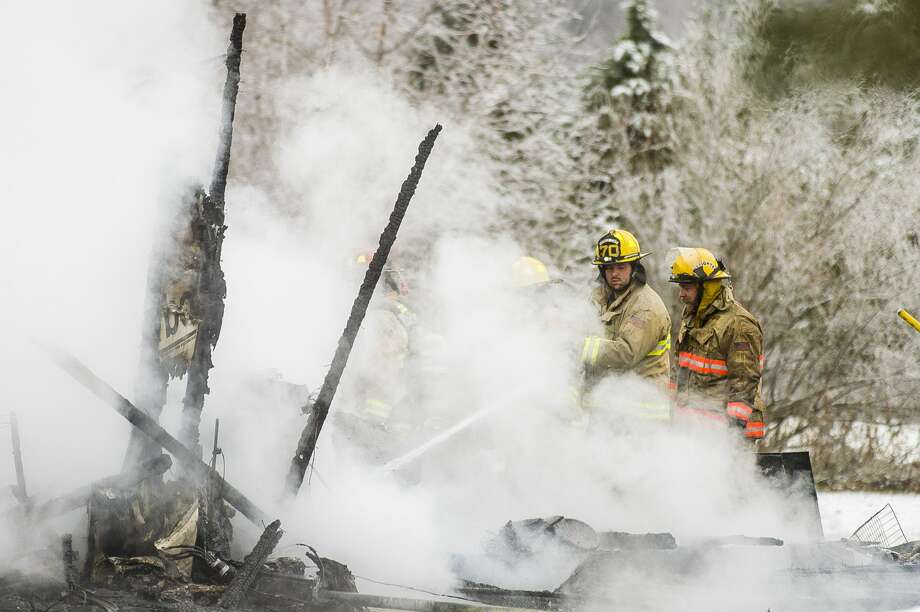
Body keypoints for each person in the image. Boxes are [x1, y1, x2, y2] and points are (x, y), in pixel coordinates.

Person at [668, 247, 765, 440]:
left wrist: (732, 435)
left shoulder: (739, 324)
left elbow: (744, 382)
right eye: (681, 288)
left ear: (708, 287)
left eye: (687, 288)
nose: (681, 295)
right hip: (696, 430)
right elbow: (680, 370)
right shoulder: (693, 317)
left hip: (727, 435)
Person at [579, 229, 672, 422]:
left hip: (640, 415)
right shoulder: (602, 299)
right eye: (609, 268)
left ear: (634, 267)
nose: (614, 273)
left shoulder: (646, 306)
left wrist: (580, 347)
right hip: (611, 409)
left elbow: (627, 352)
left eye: (621, 267)